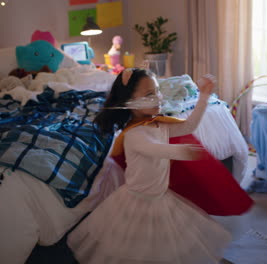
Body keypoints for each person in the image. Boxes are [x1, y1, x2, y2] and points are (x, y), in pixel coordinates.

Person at [67, 68, 232, 264]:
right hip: (136, 201)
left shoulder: (159, 124)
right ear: (130, 102)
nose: (159, 98)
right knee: (133, 247)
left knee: (164, 245)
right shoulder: (133, 135)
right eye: (149, 94)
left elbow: (189, 126)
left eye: (157, 91)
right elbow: (154, 149)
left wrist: (204, 96)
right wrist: (180, 152)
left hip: (161, 197)